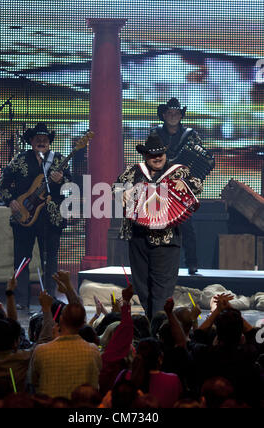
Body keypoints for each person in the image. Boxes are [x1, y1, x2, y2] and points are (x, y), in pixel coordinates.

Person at [113, 134, 203, 320]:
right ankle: (151, 323)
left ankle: (158, 326)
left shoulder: (178, 171)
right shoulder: (134, 171)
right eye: (152, 154)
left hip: (167, 239)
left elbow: (197, 185)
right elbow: (115, 187)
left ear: (165, 153)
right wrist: (122, 192)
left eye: (160, 153)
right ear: (145, 155)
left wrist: (184, 184)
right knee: (142, 286)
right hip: (138, 237)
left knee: (162, 288)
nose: (157, 157)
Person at [0, 122, 72, 309]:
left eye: (44, 139)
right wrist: (11, 201)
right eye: (37, 138)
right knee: (22, 259)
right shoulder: (20, 159)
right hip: (23, 217)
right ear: (31, 141)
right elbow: (2, 184)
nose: (41, 141)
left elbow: (71, 188)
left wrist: (62, 180)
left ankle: (50, 299)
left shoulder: (59, 161)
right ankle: (21, 300)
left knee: (50, 259)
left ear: (49, 141)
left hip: (50, 217)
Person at [152, 98, 214, 274]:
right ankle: (158, 265)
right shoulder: (155, 133)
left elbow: (202, 158)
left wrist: (190, 178)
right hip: (160, 186)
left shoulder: (191, 135)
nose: (173, 116)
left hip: (182, 187)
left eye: (176, 113)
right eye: (170, 113)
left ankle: (192, 263)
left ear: (181, 116)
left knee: (187, 227)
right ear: (163, 115)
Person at [30, 302, 102, 399]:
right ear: (82, 324)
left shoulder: (41, 351)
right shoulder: (93, 351)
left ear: (61, 319)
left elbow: (33, 381)